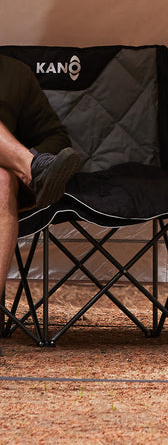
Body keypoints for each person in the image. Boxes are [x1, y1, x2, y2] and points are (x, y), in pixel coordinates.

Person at [0, 53, 83, 350]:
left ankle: (30, 168)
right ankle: (33, 168)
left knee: (3, 181)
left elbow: (56, 137)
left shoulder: (13, 73)